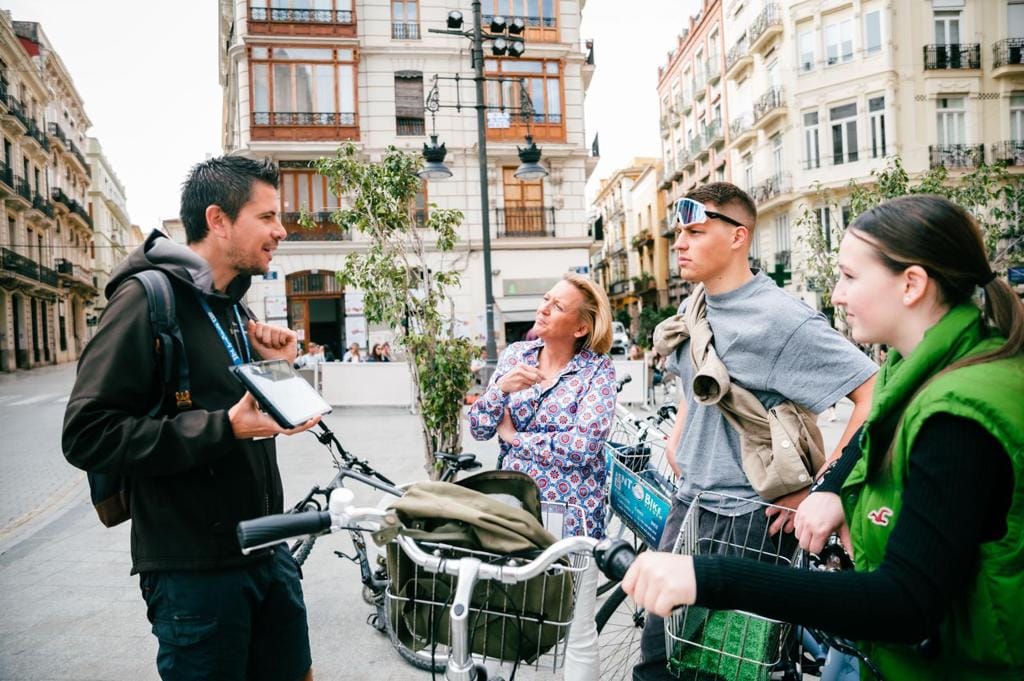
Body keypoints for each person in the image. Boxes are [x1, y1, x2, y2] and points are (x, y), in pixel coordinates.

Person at [623, 194, 1024, 679]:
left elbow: (907, 603)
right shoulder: (910, 365)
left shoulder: (957, 414)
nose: (835, 295)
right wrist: (832, 490)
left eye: (850, 277)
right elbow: (877, 421)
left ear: (912, 284)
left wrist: (711, 578)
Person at [62, 157, 320, 681]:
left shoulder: (230, 307)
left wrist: (275, 369)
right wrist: (223, 427)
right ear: (218, 220)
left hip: (267, 554)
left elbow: (230, 401)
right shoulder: (145, 300)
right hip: (195, 575)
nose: (280, 230)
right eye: (267, 216)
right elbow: (86, 434)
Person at [635, 182, 878, 680]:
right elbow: (694, 386)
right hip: (690, 509)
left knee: (736, 671)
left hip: (749, 525)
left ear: (738, 236)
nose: (679, 243)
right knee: (658, 665)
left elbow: (873, 395)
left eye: (696, 232)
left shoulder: (780, 318)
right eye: (679, 232)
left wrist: (822, 490)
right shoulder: (695, 307)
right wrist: (680, 440)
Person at [468, 273, 616, 681]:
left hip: (574, 517)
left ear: (581, 326)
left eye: (557, 306)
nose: (543, 308)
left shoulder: (597, 371)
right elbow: (479, 426)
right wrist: (500, 389)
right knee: (502, 612)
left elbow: (585, 444)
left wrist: (517, 438)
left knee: (578, 629)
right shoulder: (516, 355)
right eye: (546, 299)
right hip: (515, 511)